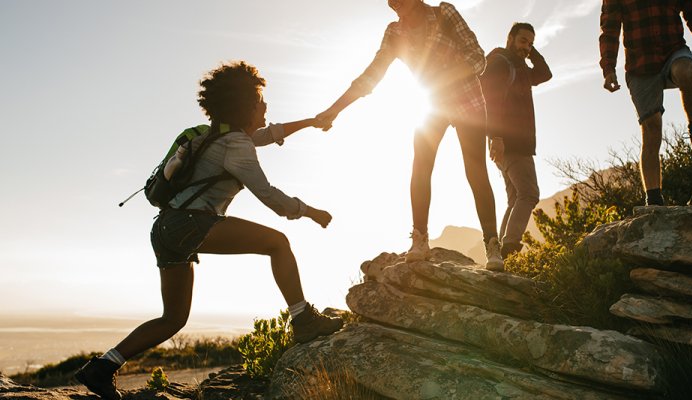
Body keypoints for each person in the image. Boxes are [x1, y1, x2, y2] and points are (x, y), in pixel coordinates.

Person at [74, 61, 343, 400]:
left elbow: (266, 135)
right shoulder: (236, 145)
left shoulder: (211, 135)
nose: (265, 108)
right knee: (278, 242)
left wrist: (310, 122)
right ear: (245, 106)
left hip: (166, 229)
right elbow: (269, 196)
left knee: (172, 319)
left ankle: (101, 368)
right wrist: (310, 212)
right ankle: (303, 319)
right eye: (261, 102)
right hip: (191, 224)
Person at [316, 0, 502, 269]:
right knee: (421, 166)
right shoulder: (394, 33)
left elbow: (477, 58)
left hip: (467, 101)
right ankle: (420, 239)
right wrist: (335, 109)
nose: (393, 3)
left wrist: (445, 77)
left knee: (475, 171)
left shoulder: (443, 13)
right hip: (432, 104)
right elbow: (371, 76)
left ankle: (492, 245)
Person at [599, 0, 692, 206]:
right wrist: (608, 68)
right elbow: (609, 30)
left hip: (673, 52)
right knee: (652, 128)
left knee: (685, 72)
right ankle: (654, 199)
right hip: (640, 66)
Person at [482, 23, 552, 267]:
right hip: (510, 141)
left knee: (515, 200)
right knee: (530, 193)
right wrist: (497, 137)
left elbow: (545, 74)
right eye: (523, 41)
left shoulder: (520, 67)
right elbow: (492, 101)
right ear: (510, 38)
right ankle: (509, 248)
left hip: (512, 142)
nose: (526, 47)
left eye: (530, 43)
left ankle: (500, 254)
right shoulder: (502, 62)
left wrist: (530, 53)